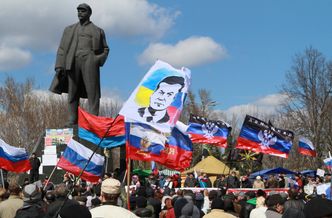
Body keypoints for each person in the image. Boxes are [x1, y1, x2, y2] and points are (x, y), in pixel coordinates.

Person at [49, 3, 109, 126]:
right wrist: (59, 65)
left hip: (90, 61)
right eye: (78, 11)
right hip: (73, 61)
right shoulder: (69, 29)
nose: (80, 13)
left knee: (93, 92)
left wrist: (97, 60)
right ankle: (72, 119)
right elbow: (62, 49)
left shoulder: (98, 31)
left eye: (83, 11)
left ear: (89, 13)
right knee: (73, 91)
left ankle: (92, 119)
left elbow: (105, 49)